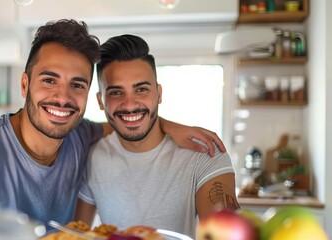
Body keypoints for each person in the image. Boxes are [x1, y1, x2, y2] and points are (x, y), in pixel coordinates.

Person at [0, 20, 225, 237]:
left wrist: (169, 125)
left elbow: (122, 122)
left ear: (88, 97)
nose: (63, 97)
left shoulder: (79, 136)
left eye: (77, 85)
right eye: (49, 80)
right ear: (24, 84)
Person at [75, 34, 240, 238]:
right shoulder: (92, 156)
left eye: (141, 89)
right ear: (100, 101)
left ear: (159, 94)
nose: (129, 104)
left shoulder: (204, 152)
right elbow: (75, 233)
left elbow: (226, 233)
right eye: (116, 93)